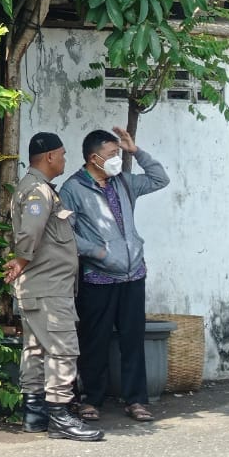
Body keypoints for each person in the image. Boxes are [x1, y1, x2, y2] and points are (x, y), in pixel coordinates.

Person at [59, 126, 170, 423]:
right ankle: (90, 400)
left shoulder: (123, 182)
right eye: (112, 154)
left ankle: (136, 400)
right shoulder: (72, 189)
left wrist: (136, 151)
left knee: (133, 339)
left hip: (133, 274)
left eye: (118, 153)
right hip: (98, 277)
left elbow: (160, 178)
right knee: (94, 340)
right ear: (94, 158)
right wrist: (99, 253)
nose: (117, 159)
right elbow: (65, 234)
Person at [3, 133, 103, 442]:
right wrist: (21, 259)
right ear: (49, 157)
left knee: (35, 350)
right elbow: (31, 229)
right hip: (48, 288)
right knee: (62, 349)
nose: (64, 159)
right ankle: (60, 417)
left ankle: (35, 415)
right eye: (61, 154)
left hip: (42, 288)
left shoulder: (39, 188)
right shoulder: (37, 191)